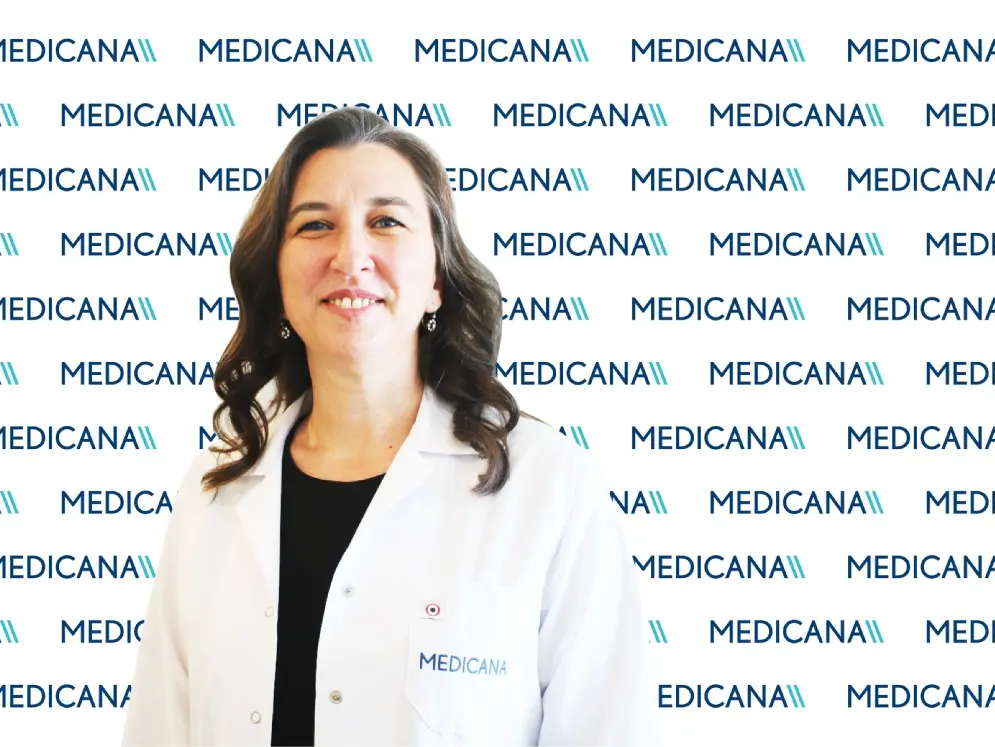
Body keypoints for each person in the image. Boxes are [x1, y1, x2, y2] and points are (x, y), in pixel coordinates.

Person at [122, 106, 654, 746]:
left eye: (386, 222)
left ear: (437, 281)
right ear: (278, 281)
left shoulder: (546, 483)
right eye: (315, 225)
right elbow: (159, 728)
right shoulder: (215, 490)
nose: (351, 256)